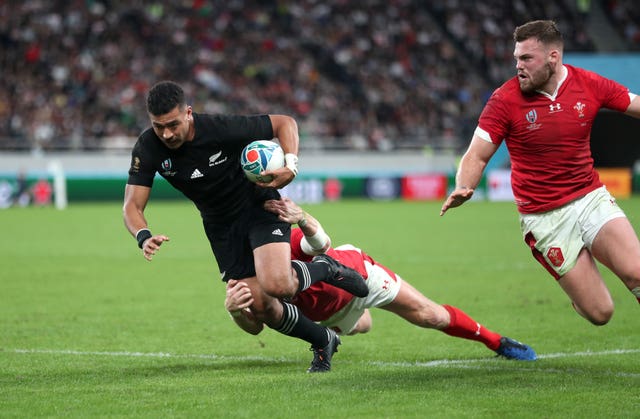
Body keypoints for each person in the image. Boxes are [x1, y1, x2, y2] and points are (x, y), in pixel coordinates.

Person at [123, 80, 369, 373]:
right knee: (261, 306)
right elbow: (132, 206)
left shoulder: (220, 128)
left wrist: (290, 165)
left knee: (278, 284)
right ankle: (322, 340)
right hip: (220, 228)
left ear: (188, 113)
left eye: (173, 124)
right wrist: (143, 235)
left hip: (259, 207)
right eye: (158, 126)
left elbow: (284, 123)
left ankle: (327, 268)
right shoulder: (148, 146)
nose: (166, 133)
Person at [440, 20, 640, 325]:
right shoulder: (504, 100)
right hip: (544, 218)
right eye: (516, 58)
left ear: (553, 57)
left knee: (636, 272)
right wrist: (464, 185)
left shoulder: (588, 84)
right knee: (601, 312)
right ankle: (580, 292)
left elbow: (633, 103)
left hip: (590, 198)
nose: (518, 66)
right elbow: (476, 155)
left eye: (526, 59)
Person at [225, 197, 537, 361]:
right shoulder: (240, 271)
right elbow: (256, 327)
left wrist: (303, 218)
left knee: (431, 316)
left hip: (358, 274)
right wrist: (237, 312)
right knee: (364, 326)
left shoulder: (281, 243)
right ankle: (354, 315)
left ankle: (496, 341)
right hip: (330, 312)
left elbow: (321, 244)